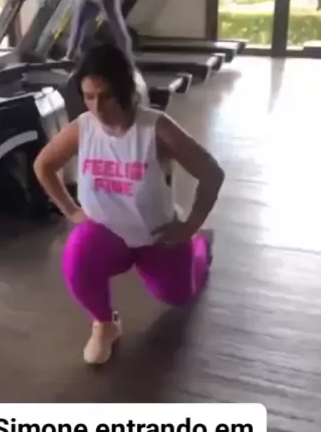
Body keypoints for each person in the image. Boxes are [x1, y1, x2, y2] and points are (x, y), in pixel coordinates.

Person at [34, 43, 225, 365]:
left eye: (106, 96)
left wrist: (190, 225)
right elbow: (43, 165)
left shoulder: (156, 128)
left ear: (124, 91)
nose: (97, 107)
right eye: (89, 96)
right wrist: (72, 211)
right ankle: (105, 324)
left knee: (177, 296)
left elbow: (212, 174)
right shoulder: (83, 127)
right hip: (107, 235)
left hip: (157, 238)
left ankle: (200, 245)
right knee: (76, 259)